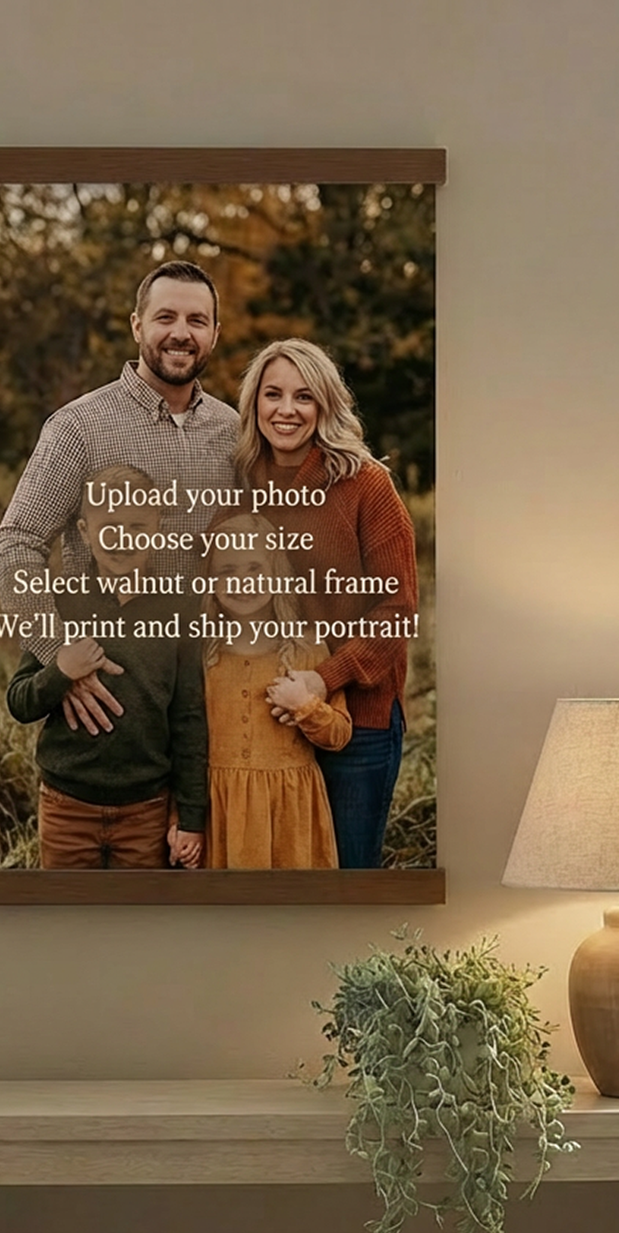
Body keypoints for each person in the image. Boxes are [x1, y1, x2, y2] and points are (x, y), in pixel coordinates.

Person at [0, 260, 239, 738]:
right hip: (112, 700)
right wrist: (60, 654)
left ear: (215, 333)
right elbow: (17, 542)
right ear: (137, 325)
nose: (180, 333)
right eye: (165, 317)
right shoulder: (80, 426)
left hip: (211, 695)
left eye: (197, 321)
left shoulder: (233, 431)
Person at [233, 338, 419, 869]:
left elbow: (397, 610)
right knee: (283, 881)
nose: (286, 410)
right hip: (272, 716)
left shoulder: (367, 485)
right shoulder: (241, 484)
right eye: (273, 395)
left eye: (303, 397)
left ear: (325, 406)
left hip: (358, 721)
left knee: (347, 883)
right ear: (254, 405)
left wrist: (324, 678)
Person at [5, 464, 206, 870]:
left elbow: (189, 719)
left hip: (146, 808)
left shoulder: (179, 609)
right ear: (83, 531)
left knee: (138, 924)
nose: (122, 539)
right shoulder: (62, 604)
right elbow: (20, 701)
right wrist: (61, 670)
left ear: (157, 528)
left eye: (136, 526)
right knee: (66, 921)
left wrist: (191, 816)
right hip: (67, 806)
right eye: (109, 526)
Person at [198, 510, 351, 869]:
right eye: (227, 571)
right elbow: (183, 744)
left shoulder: (308, 649)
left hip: (291, 810)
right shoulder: (203, 654)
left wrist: (307, 707)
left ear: (277, 574)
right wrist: (181, 817)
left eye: (255, 568)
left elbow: (340, 733)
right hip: (221, 808)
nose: (243, 581)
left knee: (292, 916)